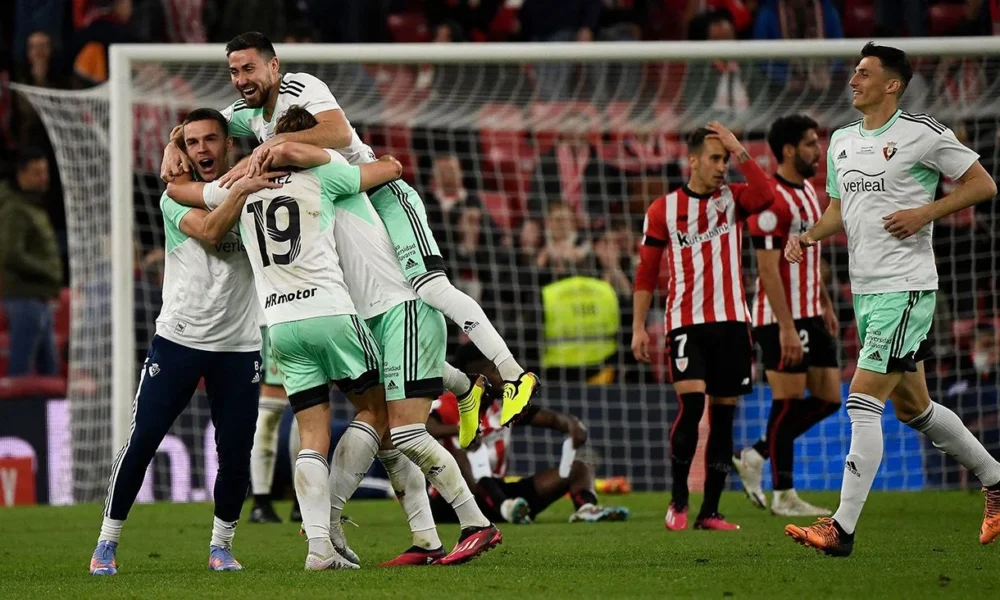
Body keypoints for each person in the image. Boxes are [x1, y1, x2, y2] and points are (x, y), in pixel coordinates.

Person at [159, 31, 538, 449]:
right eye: (233, 71)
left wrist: (271, 145)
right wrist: (174, 144)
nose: (241, 78)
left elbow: (338, 132)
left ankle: (514, 375)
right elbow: (202, 125)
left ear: (273, 66)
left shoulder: (300, 87)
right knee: (377, 318)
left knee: (429, 288)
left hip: (376, 194)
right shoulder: (248, 114)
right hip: (337, 213)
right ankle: (465, 388)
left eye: (249, 68)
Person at [784, 42, 1000, 557]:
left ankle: (842, 528)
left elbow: (983, 185)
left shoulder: (921, 134)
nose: (853, 80)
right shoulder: (840, 141)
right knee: (914, 409)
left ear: (892, 84)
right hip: (867, 288)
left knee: (862, 398)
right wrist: (810, 235)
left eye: (863, 73)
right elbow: (842, 210)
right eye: (853, 73)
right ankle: (995, 479)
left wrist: (925, 214)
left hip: (906, 287)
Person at [88, 109, 276, 575]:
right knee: (144, 439)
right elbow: (212, 233)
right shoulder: (174, 197)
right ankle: (106, 543)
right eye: (192, 143)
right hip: (179, 340)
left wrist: (179, 141)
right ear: (186, 152)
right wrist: (244, 190)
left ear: (229, 145)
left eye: (211, 140)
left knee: (236, 452)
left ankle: (221, 547)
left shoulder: (250, 181)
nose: (202, 150)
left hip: (239, 345)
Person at [631, 122, 774, 532]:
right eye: (715, 158)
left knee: (725, 418)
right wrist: (640, 326)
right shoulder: (663, 209)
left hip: (732, 322)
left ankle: (710, 512)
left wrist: (739, 147)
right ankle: (678, 499)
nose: (722, 166)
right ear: (692, 160)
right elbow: (646, 272)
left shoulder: (735, 199)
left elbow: (766, 195)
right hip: (686, 322)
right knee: (693, 406)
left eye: (725, 159)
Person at [731, 114, 841, 517]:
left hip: (810, 311)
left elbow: (809, 256)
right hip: (778, 318)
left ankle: (757, 454)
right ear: (790, 150)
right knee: (788, 399)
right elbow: (767, 269)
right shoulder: (769, 201)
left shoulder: (811, 193)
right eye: (812, 143)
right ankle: (784, 495)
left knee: (829, 397)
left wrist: (825, 303)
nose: (819, 150)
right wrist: (788, 328)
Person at [428, 343, 630, 525]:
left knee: (579, 468)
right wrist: (461, 430)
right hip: (452, 500)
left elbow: (550, 419)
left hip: (500, 493)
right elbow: (424, 427)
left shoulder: (505, 406)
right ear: (475, 377)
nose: (503, 377)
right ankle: (505, 507)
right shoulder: (446, 405)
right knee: (463, 455)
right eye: (494, 370)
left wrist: (572, 425)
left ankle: (586, 508)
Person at [0, 147, 62, 376]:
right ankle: (13, 413)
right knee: (22, 368)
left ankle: (58, 414)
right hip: (24, 299)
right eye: (37, 173)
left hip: (38, 299)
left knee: (51, 370)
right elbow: (10, 254)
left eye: (45, 172)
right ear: (21, 174)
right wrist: (49, 271)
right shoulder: (15, 208)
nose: (43, 178)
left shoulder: (30, 204)